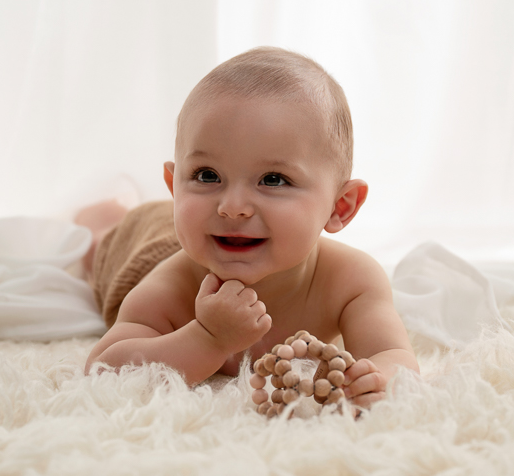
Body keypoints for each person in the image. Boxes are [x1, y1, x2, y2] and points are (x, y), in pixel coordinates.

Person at [80, 47, 418, 407]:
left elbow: (395, 357)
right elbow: (103, 367)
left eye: (273, 180)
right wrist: (208, 338)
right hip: (142, 245)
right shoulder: (170, 286)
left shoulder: (351, 280)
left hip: (200, 230)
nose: (233, 207)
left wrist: (376, 379)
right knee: (97, 246)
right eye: (206, 175)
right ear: (175, 186)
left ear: (340, 206)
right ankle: (103, 219)